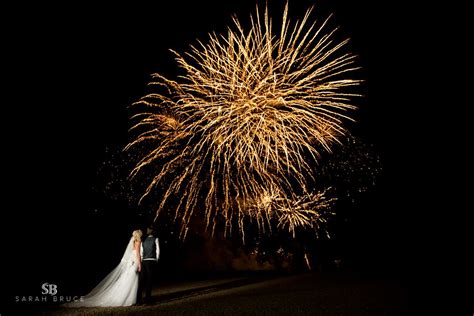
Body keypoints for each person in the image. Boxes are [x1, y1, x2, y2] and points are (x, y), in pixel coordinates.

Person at [65, 229, 143, 307]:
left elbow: (131, 254)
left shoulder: (132, 243)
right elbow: (138, 255)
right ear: (138, 235)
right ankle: (128, 299)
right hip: (134, 263)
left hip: (130, 263)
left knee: (127, 280)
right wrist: (139, 264)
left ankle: (128, 298)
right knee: (131, 280)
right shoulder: (138, 242)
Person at [137, 227, 160, 304]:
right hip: (151, 260)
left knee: (142, 280)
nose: (147, 231)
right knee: (149, 280)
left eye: (147, 230)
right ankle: (148, 299)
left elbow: (141, 251)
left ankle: (138, 299)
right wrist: (157, 258)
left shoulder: (144, 240)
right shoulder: (155, 239)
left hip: (144, 261)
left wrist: (143, 258)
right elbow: (158, 250)